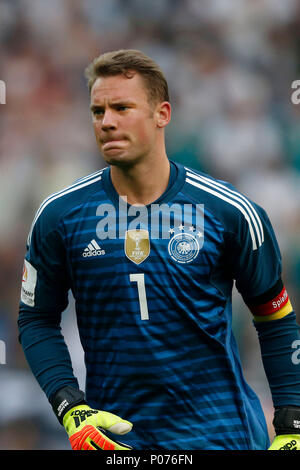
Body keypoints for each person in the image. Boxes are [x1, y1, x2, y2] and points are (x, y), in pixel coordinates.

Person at [18, 49, 300, 451]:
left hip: (221, 437)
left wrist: (292, 424)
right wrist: (70, 406)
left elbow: (275, 319)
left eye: (122, 107)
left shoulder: (231, 212)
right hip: (117, 443)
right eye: (98, 111)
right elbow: (36, 320)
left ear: (161, 114)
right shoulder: (59, 216)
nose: (107, 122)